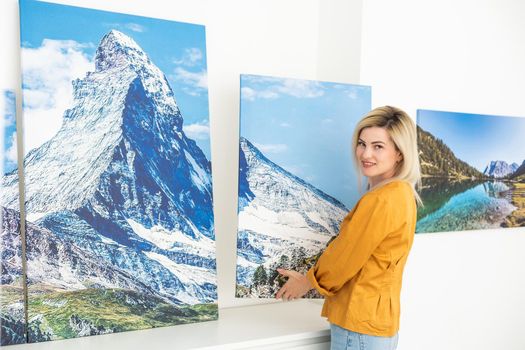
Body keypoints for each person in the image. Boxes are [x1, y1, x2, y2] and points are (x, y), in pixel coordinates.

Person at [276, 106, 422, 350]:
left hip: (360, 325)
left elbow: (344, 258)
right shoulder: (403, 193)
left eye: (378, 146)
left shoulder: (380, 199)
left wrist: (305, 283)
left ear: (399, 153)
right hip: (379, 323)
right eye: (362, 143)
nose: (365, 153)